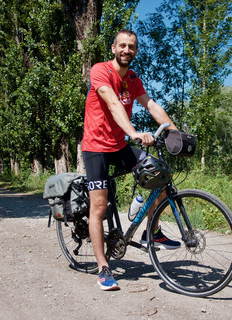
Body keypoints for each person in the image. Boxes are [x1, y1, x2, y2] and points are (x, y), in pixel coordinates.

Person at [82, 29, 180, 291]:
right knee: (99, 207)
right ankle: (103, 267)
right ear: (113, 48)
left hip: (119, 145)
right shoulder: (100, 70)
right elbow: (113, 103)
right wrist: (134, 132)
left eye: (132, 47)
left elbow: (151, 105)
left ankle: (152, 230)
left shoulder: (133, 78)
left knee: (160, 174)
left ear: (136, 51)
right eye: (122, 46)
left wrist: (175, 131)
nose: (127, 50)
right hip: (96, 148)